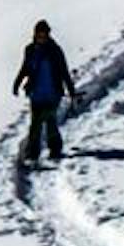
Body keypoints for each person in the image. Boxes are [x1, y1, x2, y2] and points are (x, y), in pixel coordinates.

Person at [13, 19, 77, 163]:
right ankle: (33, 153)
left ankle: (55, 149)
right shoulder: (30, 50)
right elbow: (25, 68)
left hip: (53, 93)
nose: (41, 37)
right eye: (39, 35)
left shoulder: (55, 51)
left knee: (50, 122)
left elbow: (64, 71)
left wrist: (71, 90)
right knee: (35, 124)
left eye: (44, 35)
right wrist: (17, 83)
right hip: (36, 94)